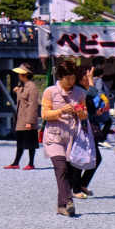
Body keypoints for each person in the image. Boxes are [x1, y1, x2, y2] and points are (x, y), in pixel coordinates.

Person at [41, 59, 87, 217]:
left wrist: (80, 112)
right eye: (67, 78)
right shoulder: (50, 92)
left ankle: (61, 206)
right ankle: (68, 201)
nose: (71, 81)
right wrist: (61, 111)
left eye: (73, 77)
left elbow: (84, 114)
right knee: (60, 168)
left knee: (68, 171)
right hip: (54, 136)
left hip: (72, 137)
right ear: (60, 77)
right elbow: (45, 115)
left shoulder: (80, 93)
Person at [71, 66, 104, 198]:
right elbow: (98, 100)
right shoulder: (81, 91)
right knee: (80, 156)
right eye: (86, 76)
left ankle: (81, 185)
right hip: (83, 127)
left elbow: (99, 103)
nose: (89, 78)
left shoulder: (82, 91)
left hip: (87, 127)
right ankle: (76, 188)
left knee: (86, 156)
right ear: (80, 78)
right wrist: (91, 81)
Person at [5, 63, 40, 170]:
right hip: (21, 119)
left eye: (20, 73)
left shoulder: (32, 87)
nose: (18, 75)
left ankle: (31, 163)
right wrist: (18, 91)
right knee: (20, 142)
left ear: (25, 74)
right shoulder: (22, 86)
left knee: (30, 143)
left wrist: (30, 121)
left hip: (28, 119)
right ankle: (16, 162)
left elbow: (33, 105)